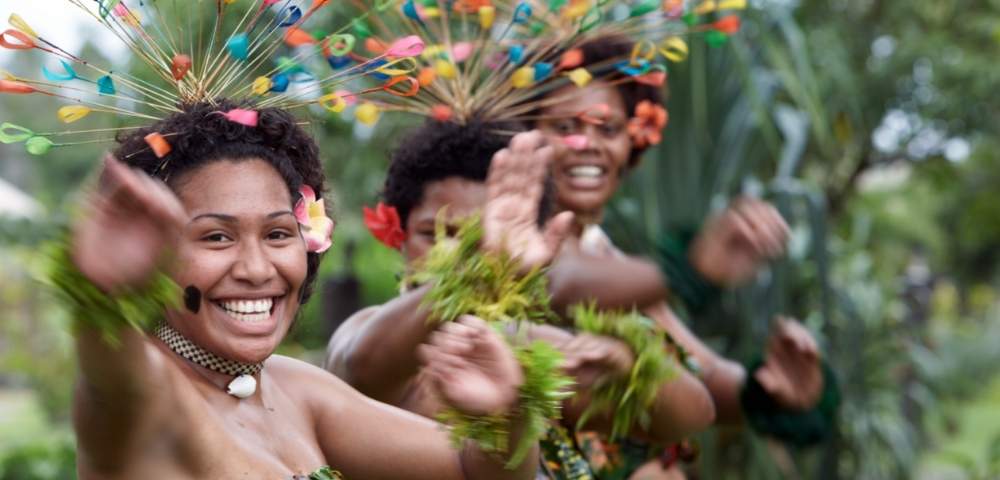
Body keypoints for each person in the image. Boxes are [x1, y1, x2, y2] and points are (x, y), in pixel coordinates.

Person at [54, 100, 541, 479]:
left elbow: (472, 471)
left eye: (277, 234)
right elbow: (113, 378)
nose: (255, 268)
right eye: (216, 236)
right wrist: (105, 299)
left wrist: (510, 412)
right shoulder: (153, 397)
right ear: (154, 250)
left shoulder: (297, 390)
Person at [325, 121, 716, 478]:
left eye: (479, 241)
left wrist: (627, 362)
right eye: (437, 235)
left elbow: (694, 413)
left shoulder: (530, 346)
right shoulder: (369, 335)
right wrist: (484, 267)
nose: (457, 254)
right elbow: (359, 363)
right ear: (399, 234)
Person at [531, 37, 837, 478]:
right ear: (526, 137)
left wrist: (773, 393)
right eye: (564, 128)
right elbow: (562, 285)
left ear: (633, 141)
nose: (588, 144)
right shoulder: (516, 235)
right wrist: (685, 270)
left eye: (609, 129)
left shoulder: (608, 256)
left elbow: (703, 376)